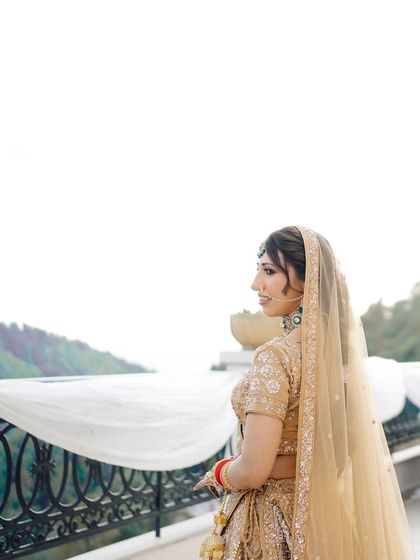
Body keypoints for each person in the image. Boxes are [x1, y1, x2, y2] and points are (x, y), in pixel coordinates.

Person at [194, 225, 416, 559]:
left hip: (267, 526)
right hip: (323, 516)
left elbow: (253, 470)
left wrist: (220, 471)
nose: (256, 283)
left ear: (305, 279)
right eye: (259, 270)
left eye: (268, 271)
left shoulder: (276, 357)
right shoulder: (336, 358)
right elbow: (338, 451)